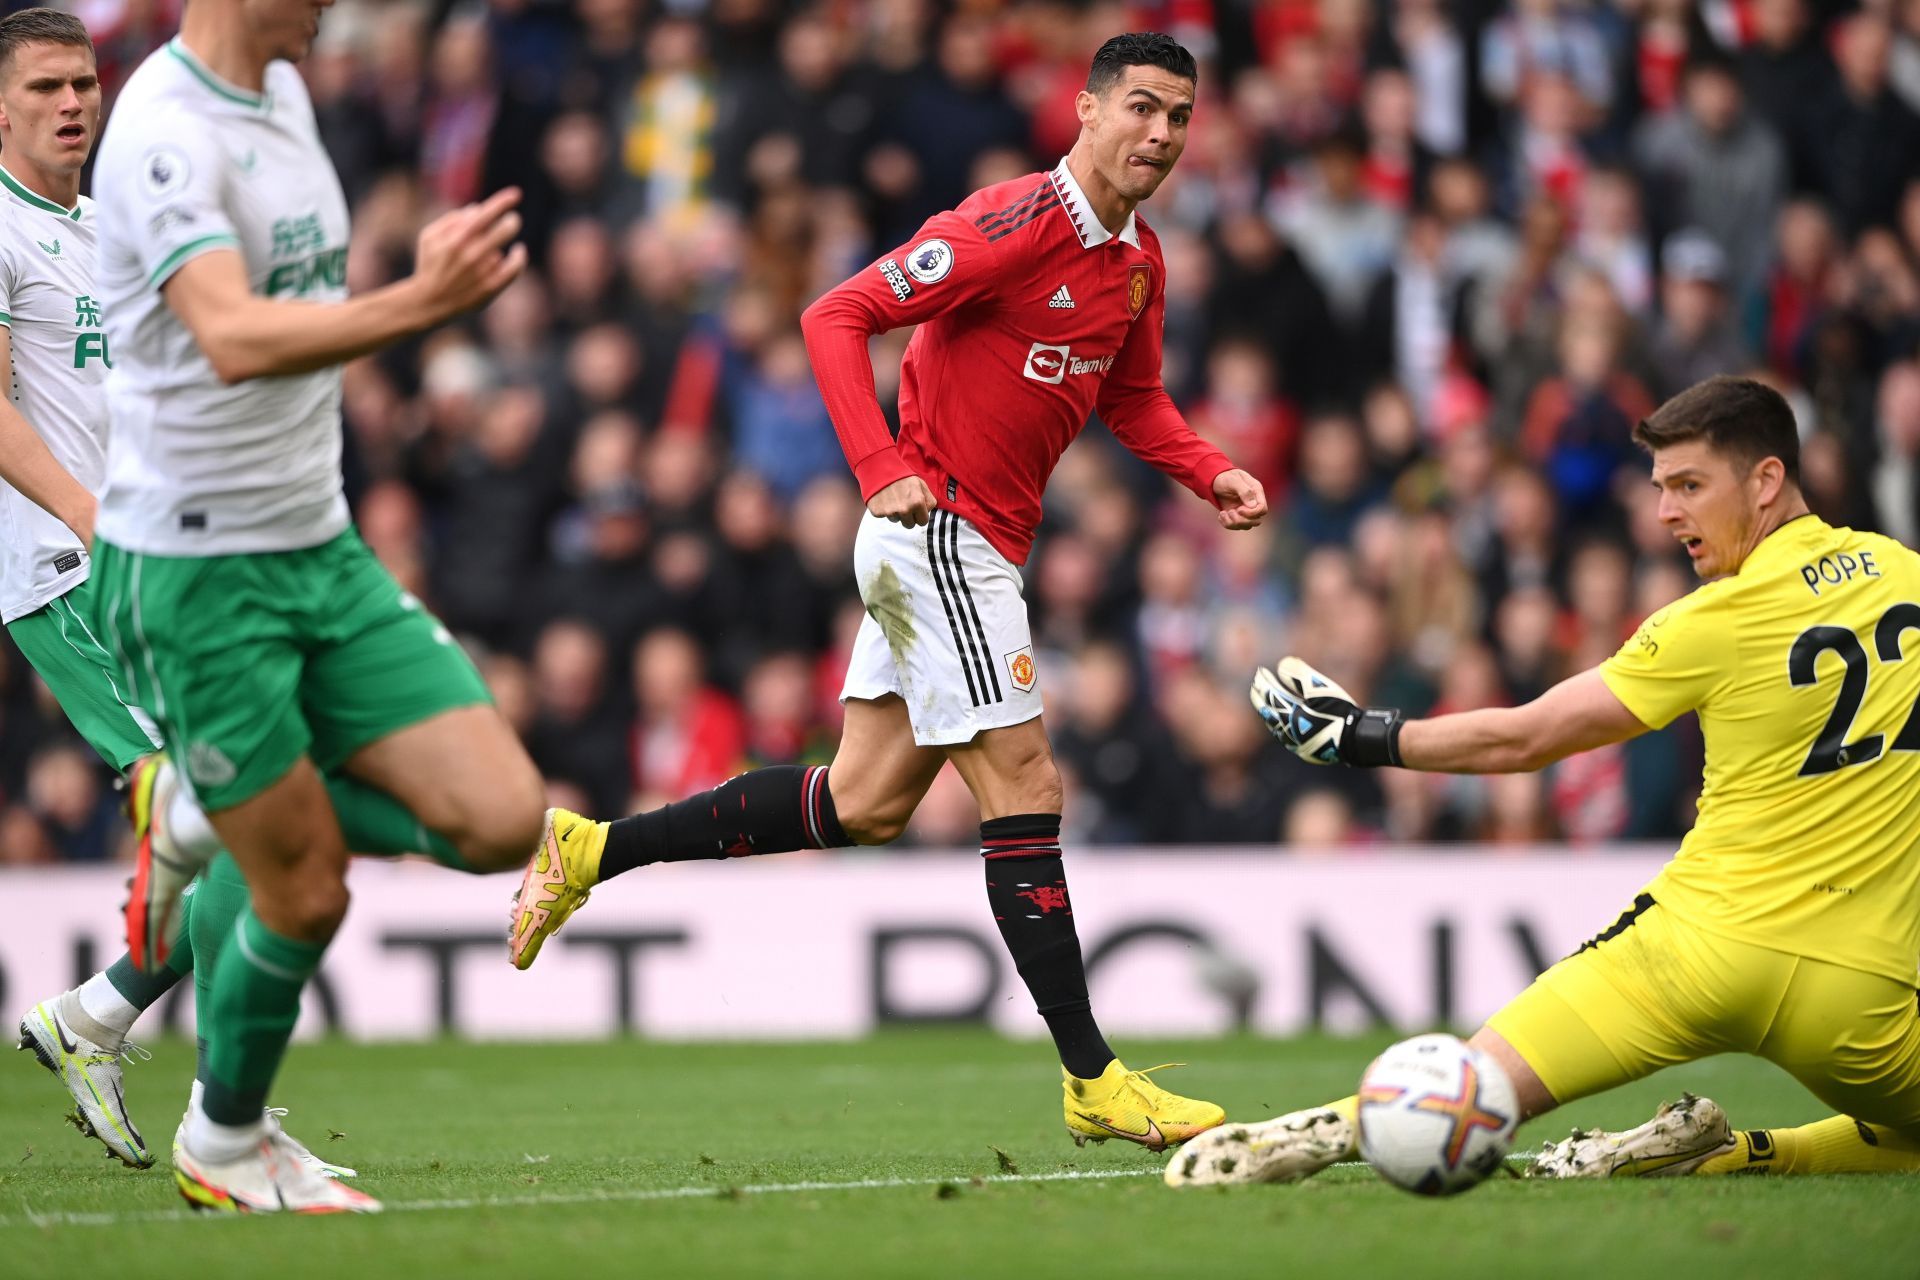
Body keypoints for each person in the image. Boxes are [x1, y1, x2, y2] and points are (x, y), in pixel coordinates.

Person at [510, 32, 1270, 1151]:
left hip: (974, 544)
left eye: (1180, 118)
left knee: (862, 801)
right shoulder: (1008, 227)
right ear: (1088, 109)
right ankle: (1093, 1075)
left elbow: (1136, 397)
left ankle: (590, 849)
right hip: (940, 529)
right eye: (1143, 108)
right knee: (1026, 780)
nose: (1161, 134)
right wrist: (882, 467)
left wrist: (1211, 469)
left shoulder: (1138, 263)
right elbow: (834, 316)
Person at [1170, 375, 1920, 1186]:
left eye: (1690, 486)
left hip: (1697, 954)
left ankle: (1315, 1132)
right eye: (1661, 488)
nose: (1666, 513)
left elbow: (1527, 737)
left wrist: (1363, 736)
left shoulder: (1713, 619)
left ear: (1767, 480)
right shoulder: (1906, 574)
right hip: (1869, 998)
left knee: (1475, 1085)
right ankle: (1736, 1156)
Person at [89, 0, 547, 1212]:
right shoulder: (163, 131)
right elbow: (232, 334)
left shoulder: (288, 93)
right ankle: (225, 1141)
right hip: (197, 571)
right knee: (303, 886)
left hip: (320, 548)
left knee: (505, 818)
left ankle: (202, 802)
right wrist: (423, 300)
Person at [0, 8, 348, 1183]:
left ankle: (98, 1018)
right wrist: (85, 515)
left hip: (166, 562)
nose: (73, 102)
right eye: (44, 85)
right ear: (0, 106)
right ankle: (222, 1110)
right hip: (72, 575)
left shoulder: (99, 225)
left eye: (83, 81)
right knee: (246, 810)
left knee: (250, 807)